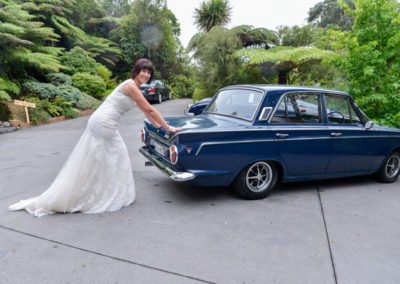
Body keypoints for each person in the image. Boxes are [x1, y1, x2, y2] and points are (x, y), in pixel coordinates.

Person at [9, 58, 179, 217]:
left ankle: (97, 191)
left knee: (100, 160)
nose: (146, 75)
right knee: (116, 156)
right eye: (144, 71)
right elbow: (149, 109)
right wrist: (168, 127)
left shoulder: (134, 86)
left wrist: (157, 126)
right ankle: (103, 194)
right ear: (136, 71)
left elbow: (145, 111)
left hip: (103, 122)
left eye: (149, 73)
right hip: (104, 124)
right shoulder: (130, 86)